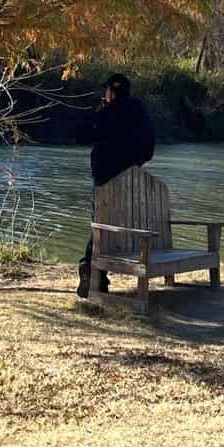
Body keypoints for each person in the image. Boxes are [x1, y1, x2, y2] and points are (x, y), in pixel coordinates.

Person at [76, 72, 155, 298]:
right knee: (120, 223)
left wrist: (97, 114)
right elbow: (150, 147)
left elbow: (82, 135)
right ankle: (99, 275)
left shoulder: (107, 113)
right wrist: (136, 163)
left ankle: (92, 268)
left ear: (111, 92)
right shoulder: (142, 113)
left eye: (106, 91)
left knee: (101, 223)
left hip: (105, 178)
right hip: (133, 179)